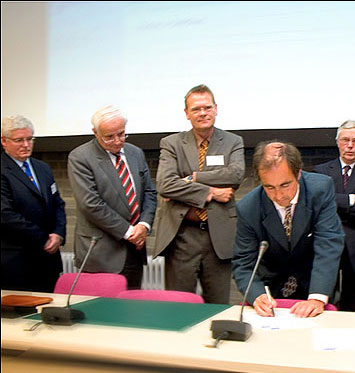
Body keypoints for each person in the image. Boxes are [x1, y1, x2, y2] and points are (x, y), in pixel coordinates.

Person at [153, 84, 245, 304]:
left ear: (216, 109)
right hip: (182, 235)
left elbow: (235, 175)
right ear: (186, 113)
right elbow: (165, 185)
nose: (202, 113)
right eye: (196, 109)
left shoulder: (234, 141)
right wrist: (211, 192)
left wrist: (192, 178)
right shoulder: (171, 143)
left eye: (207, 107)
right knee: (178, 305)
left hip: (218, 237)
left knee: (218, 305)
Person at [233, 141, 344, 318]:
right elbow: (243, 263)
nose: (278, 195)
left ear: (298, 173)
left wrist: (317, 297)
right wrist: (257, 295)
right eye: (269, 187)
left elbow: (328, 244)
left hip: (314, 281)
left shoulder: (320, 189)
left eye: (285, 185)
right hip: (272, 288)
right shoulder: (249, 207)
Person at [68, 105, 157, 289]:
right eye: (109, 136)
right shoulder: (80, 157)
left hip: (134, 250)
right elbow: (90, 204)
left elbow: (149, 192)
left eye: (122, 134)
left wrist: (144, 225)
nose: (117, 141)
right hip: (100, 253)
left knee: (131, 311)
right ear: (95, 132)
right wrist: (129, 232)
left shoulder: (135, 153)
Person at [313, 120, 355, 312]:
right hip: (326, 246)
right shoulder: (322, 171)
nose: (350, 145)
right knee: (323, 304)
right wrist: (350, 200)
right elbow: (317, 204)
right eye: (345, 140)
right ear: (337, 142)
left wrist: (333, 203)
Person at [1, 115, 66, 292]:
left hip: (47, 262)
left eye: (30, 139)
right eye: (19, 140)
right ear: (4, 141)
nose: (26, 145)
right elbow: (6, 215)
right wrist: (43, 238)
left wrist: (58, 234)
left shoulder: (42, 168)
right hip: (16, 262)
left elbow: (58, 204)